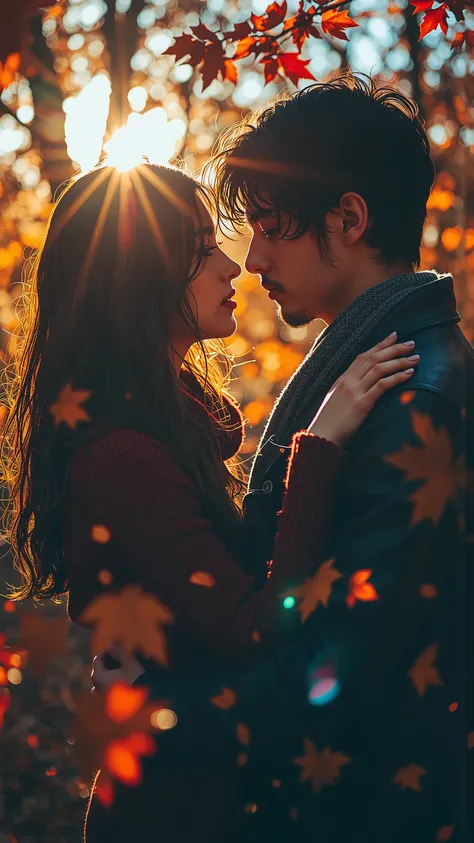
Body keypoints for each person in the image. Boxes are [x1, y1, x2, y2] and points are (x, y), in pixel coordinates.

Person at [94, 74, 473, 842]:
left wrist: (153, 721)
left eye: (272, 228)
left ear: (349, 218)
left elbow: (335, 670)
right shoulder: (371, 375)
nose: (253, 257)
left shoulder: (413, 402)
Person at [0, 158, 416, 842]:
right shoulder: (123, 457)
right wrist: (321, 445)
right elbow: (251, 626)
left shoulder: (161, 434)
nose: (231, 266)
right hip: (172, 815)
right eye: (201, 252)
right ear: (139, 281)